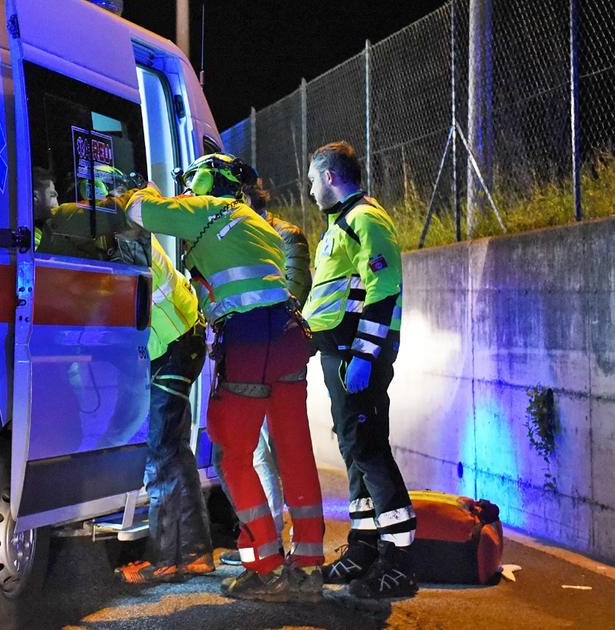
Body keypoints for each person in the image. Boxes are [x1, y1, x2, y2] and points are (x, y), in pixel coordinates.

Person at [121, 153, 325, 602]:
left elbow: (139, 211)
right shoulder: (256, 222)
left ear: (210, 179)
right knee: (294, 451)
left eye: (194, 180)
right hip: (289, 337)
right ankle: (309, 568)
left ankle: (267, 568)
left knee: (233, 455)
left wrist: (141, 191)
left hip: (249, 341)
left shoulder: (208, 209)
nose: (189, 189)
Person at [303, 141, 417, 599]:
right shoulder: (341, 225)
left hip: (356, 357)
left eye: (312, 180)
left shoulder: (364, 219)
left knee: (369, 450)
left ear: (330, 176)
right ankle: (364, 548)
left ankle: (400, 564)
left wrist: (365, 356)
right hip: (341, 355)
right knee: (354, 450)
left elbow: (383, 285)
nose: (310, 191)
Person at [214, 175, 312, 567]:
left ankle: (273, 543)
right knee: (252, 452)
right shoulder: (237, 237)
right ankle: (264, 541)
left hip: (275, 353)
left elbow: (292, 293)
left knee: (270, 451)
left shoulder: (284, 235)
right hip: (249, 352)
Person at [115, 232, 214, 583]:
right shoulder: (138, 232)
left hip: (171, 347)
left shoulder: (124, 237)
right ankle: (195, 553)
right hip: (182, 343)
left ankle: (164, 559)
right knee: (176, 454)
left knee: (160, 457)